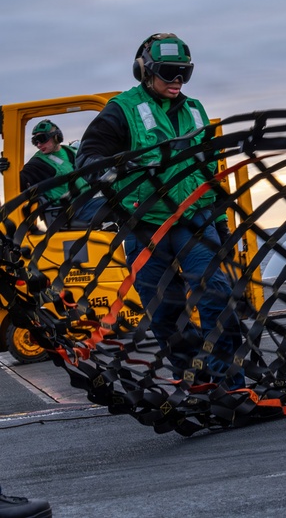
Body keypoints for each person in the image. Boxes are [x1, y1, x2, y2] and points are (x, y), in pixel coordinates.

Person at [77, 33, 246, 388]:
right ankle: (193, 374)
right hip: (145, 224)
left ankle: (230, 380)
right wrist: (107, 169)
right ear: (144, 70)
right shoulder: (121, 110)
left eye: (184, 73)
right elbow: (89, 155)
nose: (177, 81)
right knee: (165, 310)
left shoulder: (196, 110)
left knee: (217, 293)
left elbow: (211, 171)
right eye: (169, 72)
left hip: (195, 218)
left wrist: (221, 222)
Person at [0, 120, 105, 229]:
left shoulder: (70, 151)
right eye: (35, 141)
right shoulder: (39, 163)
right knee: (119, 205)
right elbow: (20, 183)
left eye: (41, 139)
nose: (39, 145)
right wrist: (8, 171)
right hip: (72, 211)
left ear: (56, 137)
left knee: (119, 198)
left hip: (87, 202)